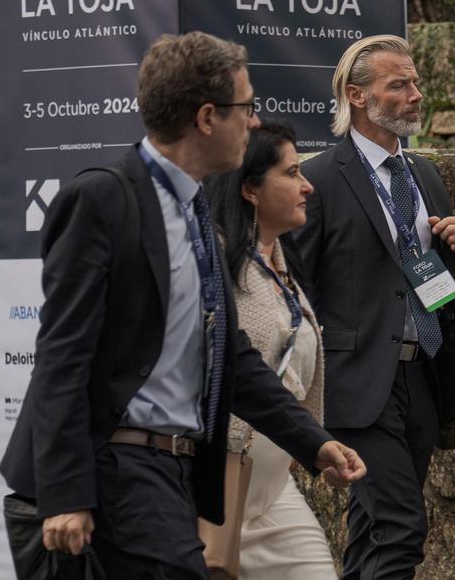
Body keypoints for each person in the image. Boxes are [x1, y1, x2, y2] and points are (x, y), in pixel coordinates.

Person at [0, 31, 365, 578]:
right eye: (246, 108)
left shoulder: (198, 216)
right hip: (114, 466)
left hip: (176, 469)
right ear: (207, 117)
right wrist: (64, 492)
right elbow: (63, 355)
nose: (256, 122)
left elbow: (232, 358)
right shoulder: (102, 199)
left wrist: (313, 443)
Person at [290, 34, 455, 578]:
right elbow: (296, 288)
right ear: (357, 95)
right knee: (400, 527)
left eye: (415, 81)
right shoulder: (319, 179)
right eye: (400, 85)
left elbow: (441, 286)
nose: (417, 94)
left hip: (423, 377)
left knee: (374, 534)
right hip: (357, 386)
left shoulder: (424, 174)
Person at [205, 121, 336, 579]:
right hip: (210, 491)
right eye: (292, 173)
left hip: (272, 493)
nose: (307, 186)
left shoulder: (282, 264)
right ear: (251, 190)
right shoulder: (214, 263)